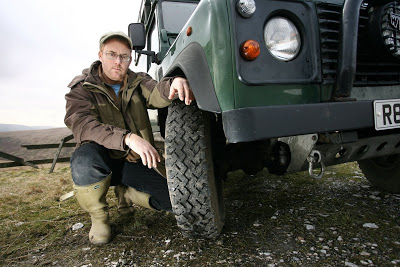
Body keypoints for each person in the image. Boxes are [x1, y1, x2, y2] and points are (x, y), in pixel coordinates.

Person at [64, 31, 194, 245]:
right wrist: (127, 138)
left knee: (175, 201)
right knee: (84, 160)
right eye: (112, 54)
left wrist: (173, 83)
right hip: (101, 161)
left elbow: (156, 91)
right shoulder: (82, 87)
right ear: (100, 54)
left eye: (124, 57)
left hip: (131, 161)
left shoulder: (138, 80)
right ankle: (99, 218)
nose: (118, 62)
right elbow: (81, 124)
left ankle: (128, 195)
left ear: (130, 59)